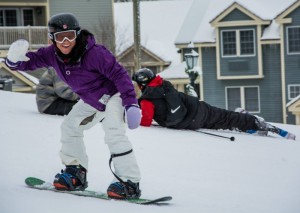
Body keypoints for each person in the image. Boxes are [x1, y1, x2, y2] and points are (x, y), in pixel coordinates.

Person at [5, 13, 142, 199]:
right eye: (61, 37)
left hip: (113, 95)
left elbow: (120, 75)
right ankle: (75, 173)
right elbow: (30, 61)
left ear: (77, 35)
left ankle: (129, 182)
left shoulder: (95, 53)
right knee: (70, 127)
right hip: (92, 101)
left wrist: (131, 103)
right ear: (52, 38)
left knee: (113, 131)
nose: (66, 41)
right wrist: (13, 60)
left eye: (70, 35)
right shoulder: (51, 55)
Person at [132, 68, 269, 134]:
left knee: (218, 122)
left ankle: (245, 123)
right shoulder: (163, 84)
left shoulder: (147, 100)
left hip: (189, 122)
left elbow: (146, 121)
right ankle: (250, 122)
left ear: (141, 84)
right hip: (197, 108)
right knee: (222, 115)